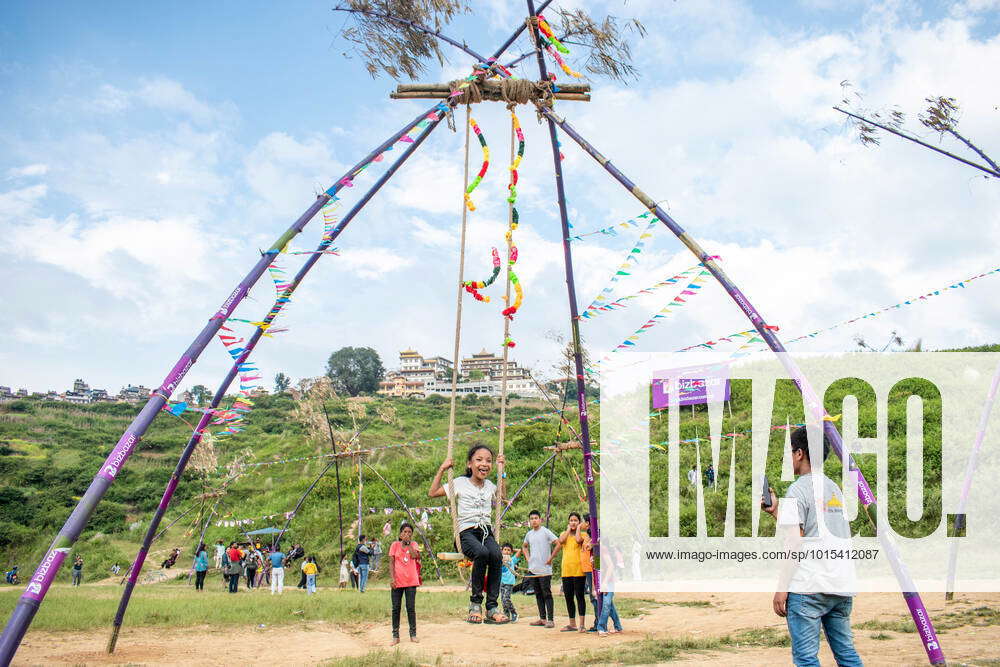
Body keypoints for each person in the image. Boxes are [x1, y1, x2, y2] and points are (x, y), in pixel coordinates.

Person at [761, 426, 862, 667]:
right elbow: (811, 534)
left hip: (808, 588)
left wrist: (782, 588)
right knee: (847, 656)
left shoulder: (797, 489)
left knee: (806, 660)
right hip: (840, 586)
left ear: (799, 454)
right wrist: (776, 511)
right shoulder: (833, 488)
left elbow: (795, 541)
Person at [429, 443, 509, 625]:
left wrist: (502, 471)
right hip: (466, 534)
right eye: (479, 460)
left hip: (486, 532)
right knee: (482, 553)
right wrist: (442, 469)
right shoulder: (458, 483)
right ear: (469, 464)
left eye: (488, 461)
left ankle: (492, 607)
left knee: (496, 555)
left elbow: (503, 498)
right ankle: (475, 604)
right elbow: (432, 493)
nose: (484, 464)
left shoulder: (490, 485)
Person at [522, 509, 558, 628]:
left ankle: (550, 619)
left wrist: (551, 558)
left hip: (545, 570)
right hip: (533, 569)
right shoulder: (529, 534)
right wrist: (528, 559)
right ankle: (542, 618)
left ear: (540, 520)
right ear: (529, 521)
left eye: (536, 518)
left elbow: (558, 543)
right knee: (538, 594)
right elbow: (524, 546)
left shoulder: (545, 532)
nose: (534, 521)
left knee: (546, 593)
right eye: (531, 519)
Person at [552, 512, 587, 632]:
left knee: (579, 597)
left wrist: (577, 528)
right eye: (571, 520)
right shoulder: (564, 534)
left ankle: (582, 625)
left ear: (579, 522)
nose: (573, 522)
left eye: (575, 520)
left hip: (579, 571)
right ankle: (572, 624)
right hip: (566, 571)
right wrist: (568, 529)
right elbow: (561, 541)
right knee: (568, 598)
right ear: (568, 522)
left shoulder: (583, 534)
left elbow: (578, 540)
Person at [388, 522, 421, 644]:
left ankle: (413, 634)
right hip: (397, 582)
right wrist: (392, 579)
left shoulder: (414, 544)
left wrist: (408, 545)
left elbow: (414, 556)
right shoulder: (394, 545)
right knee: (396, 608)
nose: (407, 534)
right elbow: (391, 563)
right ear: (400, 534)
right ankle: (395, 636)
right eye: (404, 532)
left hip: (411, 581)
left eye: (409, 532)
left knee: (410, 608)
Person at [594, 544, 623, 637]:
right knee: (610, 606)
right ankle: (618, 627)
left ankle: (601, 628)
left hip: (608, 582)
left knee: (606, 604)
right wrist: (595, 587)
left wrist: (605, 583)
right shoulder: (594, 551)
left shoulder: (603, 549)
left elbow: (610, 566)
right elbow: (596, 570)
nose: (587, 543)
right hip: (601, 582)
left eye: (589, 540)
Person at [580, 514, 597, 631]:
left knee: (594, 596)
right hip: (586, 569)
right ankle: (599, 621)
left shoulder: (592, 536)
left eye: (582, 522)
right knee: (592, 596)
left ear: (587, 523)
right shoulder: (586, 535)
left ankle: (598, 622)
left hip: (591, 569)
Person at [499, 543, 521, 623]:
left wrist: (512, 549)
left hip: (509, 582)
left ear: (511, 552)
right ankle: (506, 614)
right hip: (501, 582)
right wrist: (501, 549)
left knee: (506, 598)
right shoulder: (499, 559)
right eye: (505, 550)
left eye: (509, 550)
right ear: (502, 551)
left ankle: (514, 613)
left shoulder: (513, 559)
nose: (507, 551)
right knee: (502, 600)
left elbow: (519, 550)